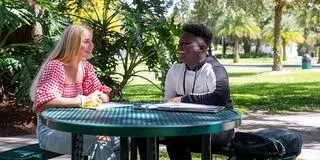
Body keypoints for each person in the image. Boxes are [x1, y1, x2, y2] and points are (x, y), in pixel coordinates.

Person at [136, 23, 234, 160]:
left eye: (186, 43)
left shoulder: (214, 68)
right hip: (184, 127)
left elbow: (220, 98)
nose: (180, 47)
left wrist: (182, 99)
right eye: (179, 43)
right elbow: (167, 103)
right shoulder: (175, 70)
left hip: (217, 130)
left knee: (176, 136)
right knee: (143, 134)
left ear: (202, 47)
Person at [29, 24, 119, 160]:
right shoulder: (56, 66)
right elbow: (46, 100)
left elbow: (103, 96)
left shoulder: (86, 67)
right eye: (86, 41)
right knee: (102, 141)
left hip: (79, 129)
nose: (92, 45)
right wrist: (82, 100)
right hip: (52, 132)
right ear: (73, 44)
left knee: (116, 139)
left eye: (91, 41)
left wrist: (100, 96)